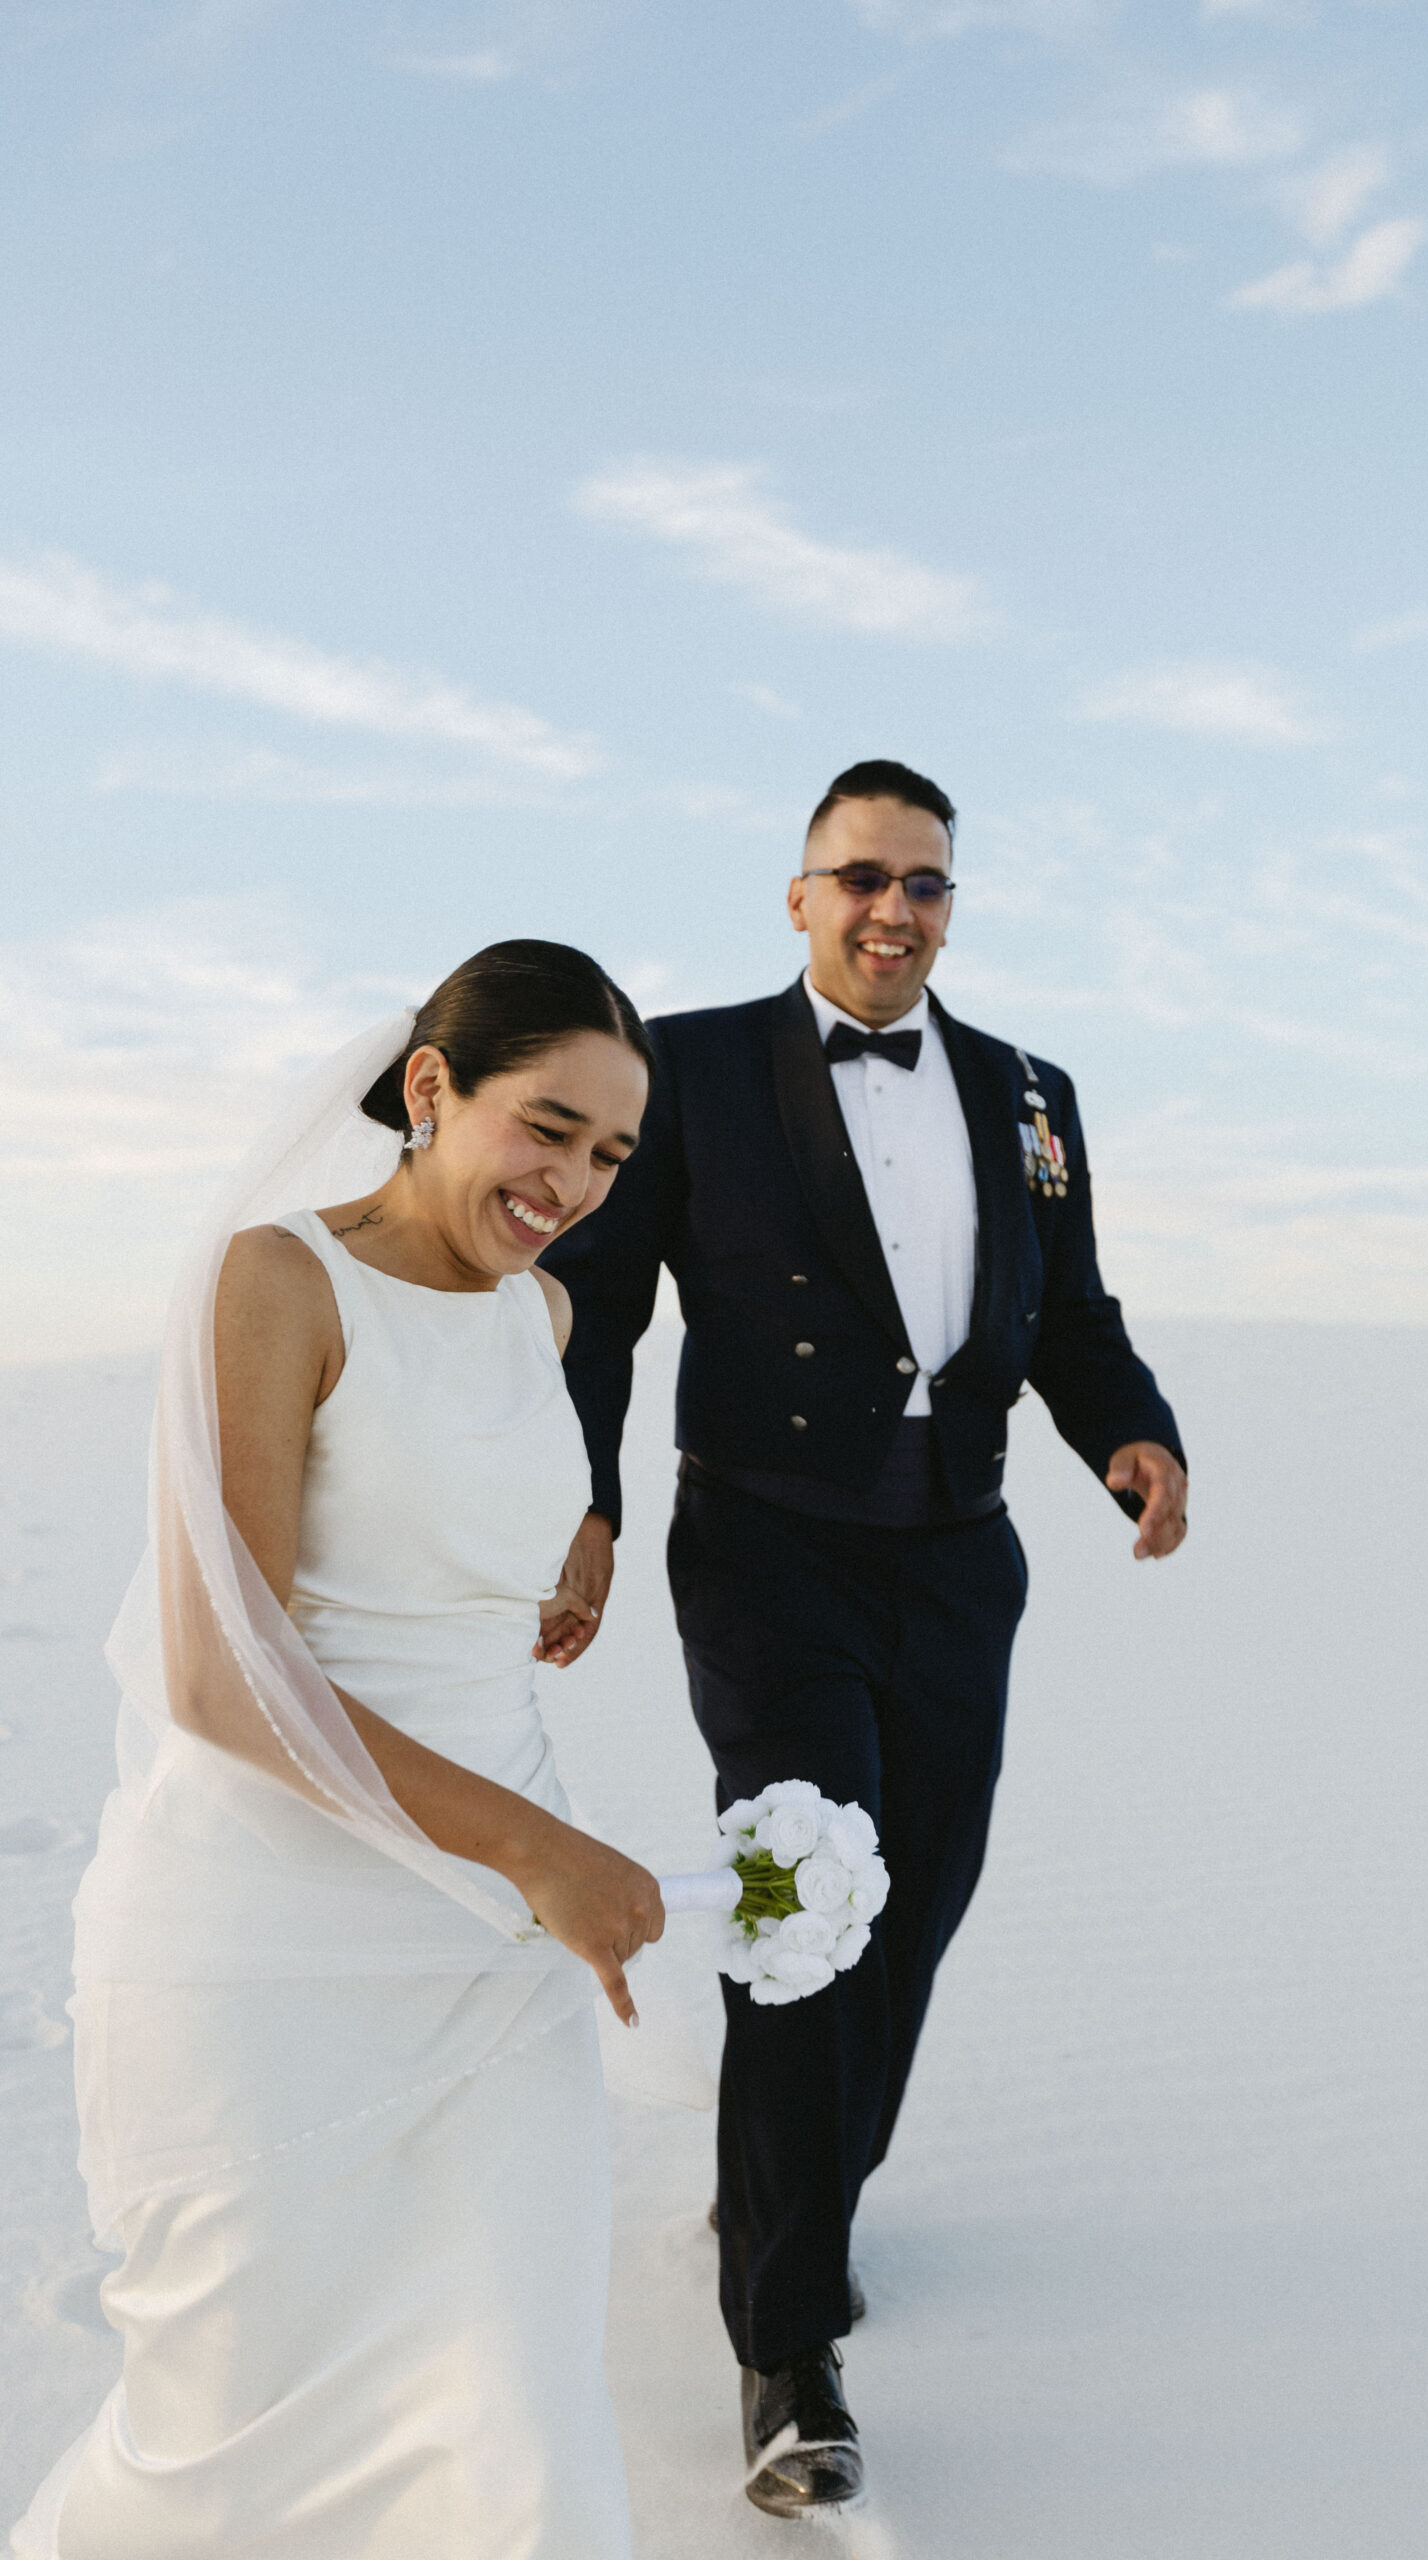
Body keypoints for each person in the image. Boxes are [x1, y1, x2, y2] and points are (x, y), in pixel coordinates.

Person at [542, 761, 1188, 2518]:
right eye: (861, 878)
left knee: (919, 1901)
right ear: (800, 894)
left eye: (927, 884)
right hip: (761, 1550)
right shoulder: (687, 1067)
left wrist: (1131, 1428)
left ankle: (789, 2188)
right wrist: (585, 1503)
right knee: (801, 1896)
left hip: (958, 1561)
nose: (895, 909)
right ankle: (782, 2339)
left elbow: (1074, 1312)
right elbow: (598, 1313)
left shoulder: (1030, 1091)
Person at [10, 941, 665, 2560]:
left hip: (494, 1963)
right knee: (224, 2442)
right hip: (270, 1944)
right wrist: (540, 1850)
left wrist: (568, 1551)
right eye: (547, 1127)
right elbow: (227, 1672)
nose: (574, 1183)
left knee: (521, 2431)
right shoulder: (278, 1279)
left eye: (612, 1155)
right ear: (431, 1089)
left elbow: (456, 1533)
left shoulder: (553, 1309)